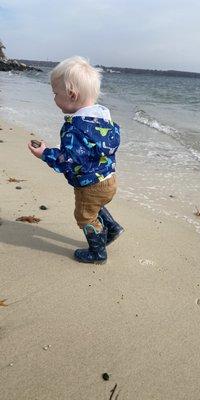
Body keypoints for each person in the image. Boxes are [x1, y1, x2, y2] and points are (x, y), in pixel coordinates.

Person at [28, 56, 124, 264]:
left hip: (90, 185)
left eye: (55, 93)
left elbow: (68, 160)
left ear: (71, 94)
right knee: (95, 205)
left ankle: (97, 253)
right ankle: (113, 228)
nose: (54, 98)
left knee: (84, 215)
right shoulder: (104, 119)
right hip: (109, 180)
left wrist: (45, 153)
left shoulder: (76, 128)